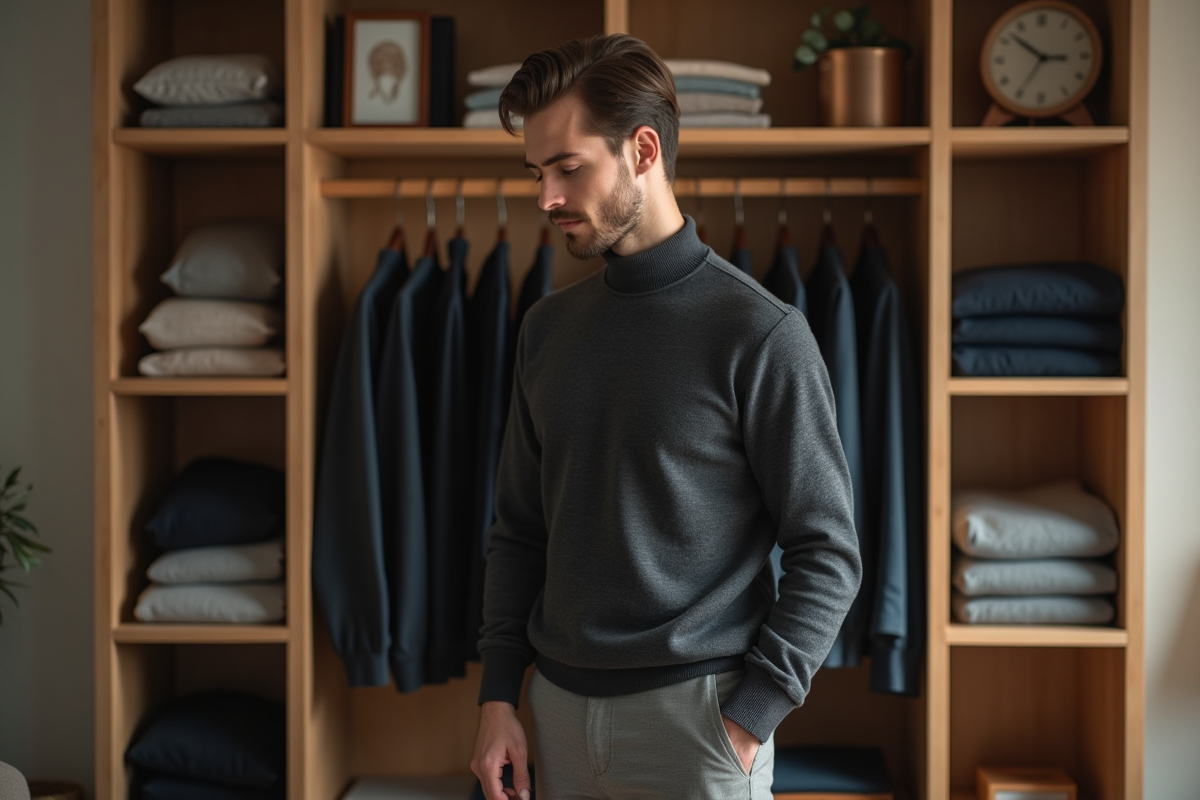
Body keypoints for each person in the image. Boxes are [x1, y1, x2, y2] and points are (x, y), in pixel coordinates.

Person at [469, 33, 862, 800]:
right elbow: (518, 530)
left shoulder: (760, 331)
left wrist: (750, 718)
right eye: (537, 172)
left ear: (642, 149)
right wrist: (497, 697)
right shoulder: (546, 328)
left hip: (700, 723)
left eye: (568, 167)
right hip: (552, 710)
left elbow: (828, 550)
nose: (546, 197)